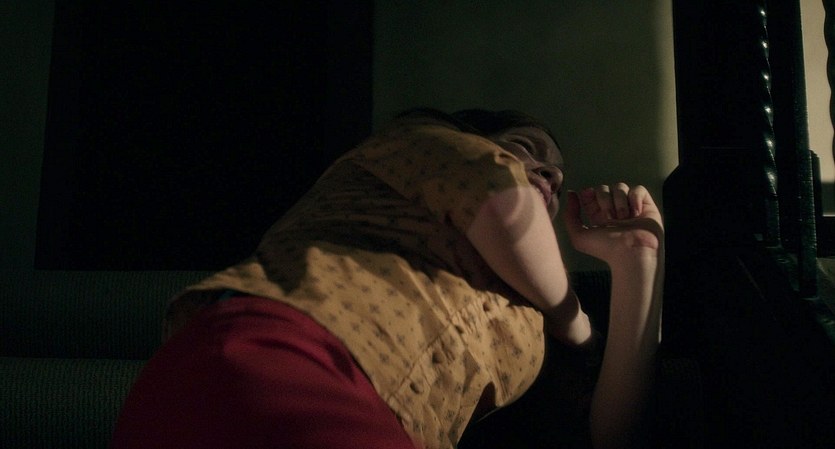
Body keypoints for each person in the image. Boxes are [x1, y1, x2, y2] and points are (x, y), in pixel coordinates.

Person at [110, 107, 664, 449]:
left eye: (558, 179)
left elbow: (610, 436)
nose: (549, 175)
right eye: (525, 149)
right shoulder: (418, 142)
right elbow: (502, 200)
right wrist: (576, 325)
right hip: (281, 354)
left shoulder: (530, 311)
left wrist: (639, 262)